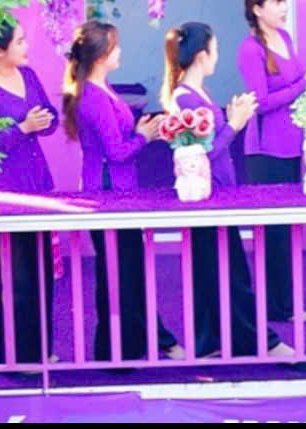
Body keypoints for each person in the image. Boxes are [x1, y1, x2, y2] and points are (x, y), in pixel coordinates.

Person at [165, 21, 306, 362]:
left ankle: (211, 340)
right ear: (202, 55)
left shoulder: (195, 92)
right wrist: (235, 124)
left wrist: (231, 119)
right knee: (231, 272)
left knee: (213, 269)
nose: (218, 57)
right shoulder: (185, 96)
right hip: (209, 196)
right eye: (214, 50)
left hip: (218, 192)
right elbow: (203, 153)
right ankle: (263, 342)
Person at [63, 20, 184, 362]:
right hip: (109, 193)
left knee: (126, 270)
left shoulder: (98, 89)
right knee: (119, 272)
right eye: (114, 47)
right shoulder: (93, 97)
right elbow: (115, 152)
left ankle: (135, 343)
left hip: (114, 189)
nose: (120, 52)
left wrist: (141, 130)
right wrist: (144, 136)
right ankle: (120, 348)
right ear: (101, 56)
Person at [237, 0, 306, 321]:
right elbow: (261, 103)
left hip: (293, 144)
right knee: (273, 232)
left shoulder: (285, 38)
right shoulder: (251, 49)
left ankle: (286, 302)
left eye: (284, 1)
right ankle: (274, 306)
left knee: (289, 228)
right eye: (276, 2)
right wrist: (304, 83)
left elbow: (294, 84)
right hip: (266, 150)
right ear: (257, 9)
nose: (283, 8)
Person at [0, 22, 58, 366]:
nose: (26, 45)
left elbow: (49, 118)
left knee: (41, 272)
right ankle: (13, 357)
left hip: (38, 183)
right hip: (5, 191)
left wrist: (43, 122)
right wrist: (22, 128)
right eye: (19, 41)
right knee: (12, 277)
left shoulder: (28, 76)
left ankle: (41, 351)